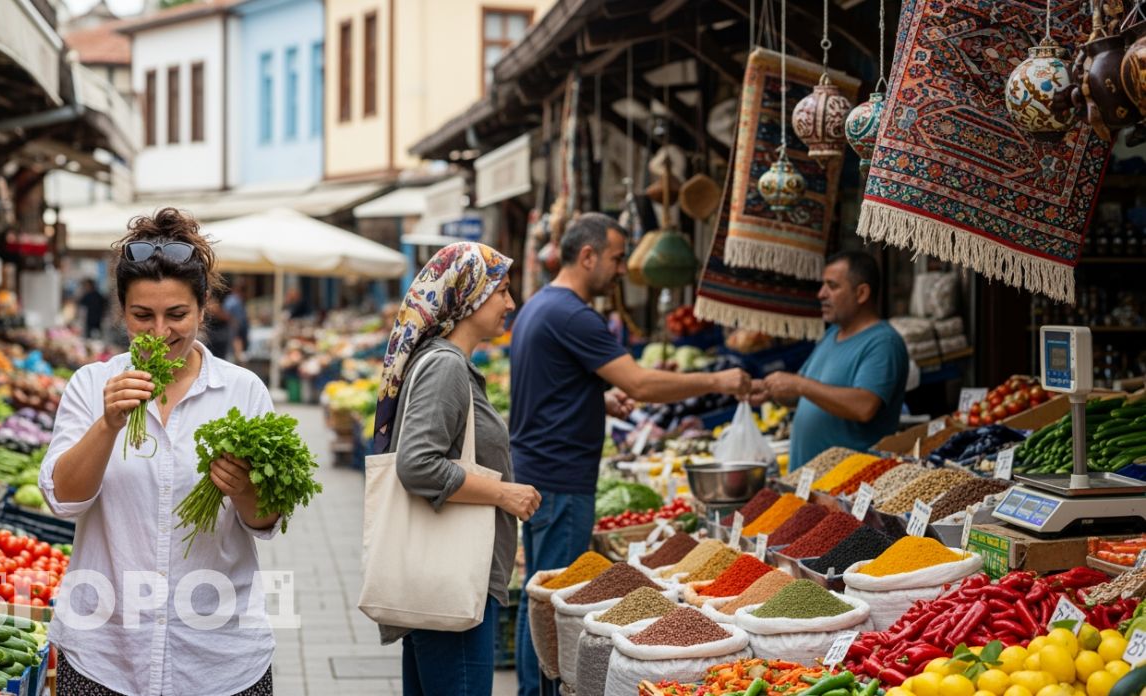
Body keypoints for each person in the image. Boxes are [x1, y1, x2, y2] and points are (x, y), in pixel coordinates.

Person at [38, 208, 279, 696]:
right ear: (121, 312)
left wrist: (246, 489)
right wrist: (108, 424)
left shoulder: (242, 391)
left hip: (219, 658)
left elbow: (266, 520)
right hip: (105, 654)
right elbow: (64, 499)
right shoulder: (92, 385)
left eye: (177, 315)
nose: (160, 332)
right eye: (142, 316)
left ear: (203, 308)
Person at [510, 212, 751, 696]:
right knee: (557, 602)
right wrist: (717, 381)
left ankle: (531, 688)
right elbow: (640, 382)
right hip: (560, 478)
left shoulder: (539, 307)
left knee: (539, 597)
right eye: (618, 258)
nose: (622, 269)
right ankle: (542, 690)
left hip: (542, 470)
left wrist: (593, 397)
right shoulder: (573, 314)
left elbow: (547, 387)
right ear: (587, 255)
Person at [369, 242, 541, 696]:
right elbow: (418, 465)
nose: (511, 303)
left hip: (444, 577)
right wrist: (505, 493)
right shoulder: (445, 366)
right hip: (454, 578)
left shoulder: (447, 363)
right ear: (469, 296)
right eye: (501, 291)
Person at [749, 250, 910, 471]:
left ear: (861, 293)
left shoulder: (883, 343)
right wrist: (768, 390)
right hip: (808, 483)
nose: (821, 294)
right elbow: (804, 394)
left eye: (832, 286)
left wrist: (799, 384)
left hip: (847, 488)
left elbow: (864, 406)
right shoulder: (831, 335)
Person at [223, 276, 250, 361]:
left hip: (238, 329)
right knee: (234, 350)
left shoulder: (236, 300)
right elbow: (227, 314)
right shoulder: (232, 300)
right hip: (234, 329)